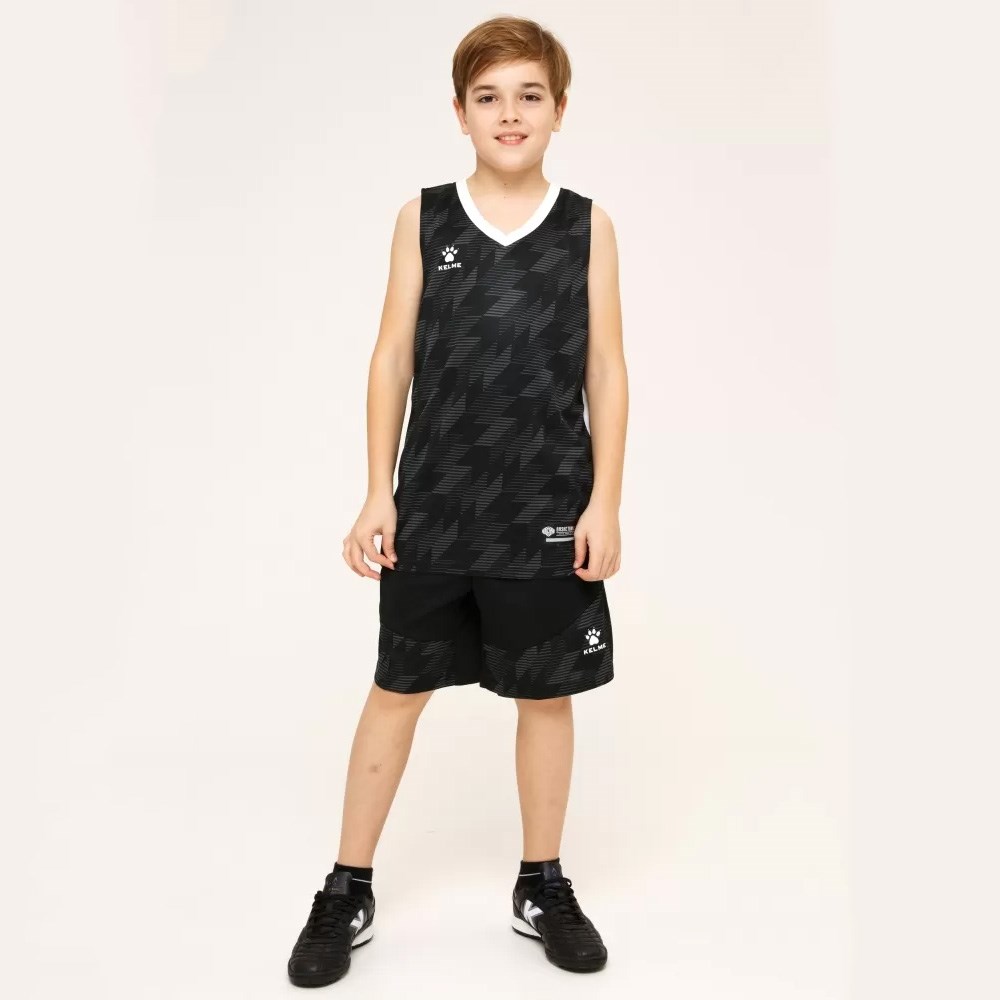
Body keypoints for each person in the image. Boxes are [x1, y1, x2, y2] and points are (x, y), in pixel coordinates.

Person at [287, 14, 628, 987]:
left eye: (529, 95)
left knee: (545, 696)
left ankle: (542, 882)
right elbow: (391, 356)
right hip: (434, 507)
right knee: (398, 688)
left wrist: (605, 499)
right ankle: (347, 885)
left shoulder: (587, 225)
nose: (509, 113)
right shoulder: (423, 218)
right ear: (459, 112)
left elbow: (606, 367)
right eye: (489, 97)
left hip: (545, 509)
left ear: (558, 110)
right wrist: (377, 491)